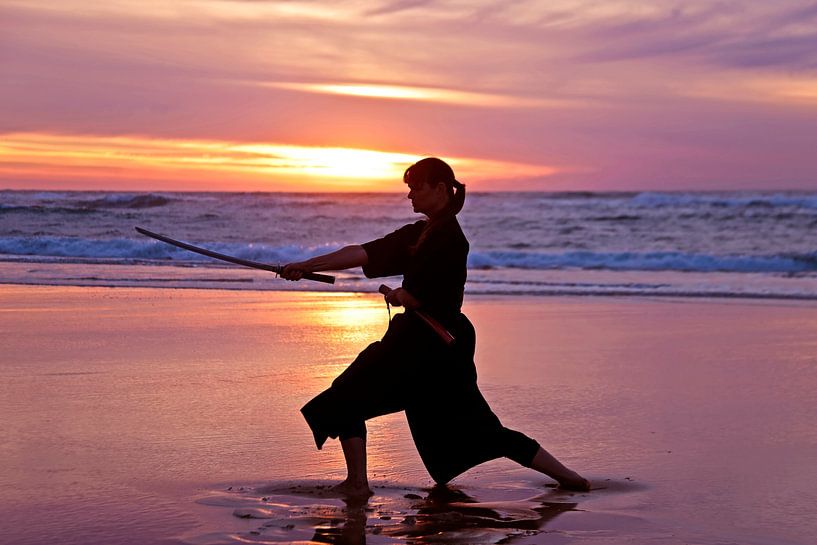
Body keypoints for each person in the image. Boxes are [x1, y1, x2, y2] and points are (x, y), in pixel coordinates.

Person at [281, 157, 590, 497]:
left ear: (440, 188)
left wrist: (403, 295)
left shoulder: (450, 239)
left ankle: (357, 484)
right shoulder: (421, 233)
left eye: (416, 188)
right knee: (349, 395)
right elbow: (363, 252)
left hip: (431, 347)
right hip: (420, 343)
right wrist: (306, 266)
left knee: (474, 427)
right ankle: (568, 478)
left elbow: (430, 297)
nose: (410, 195)